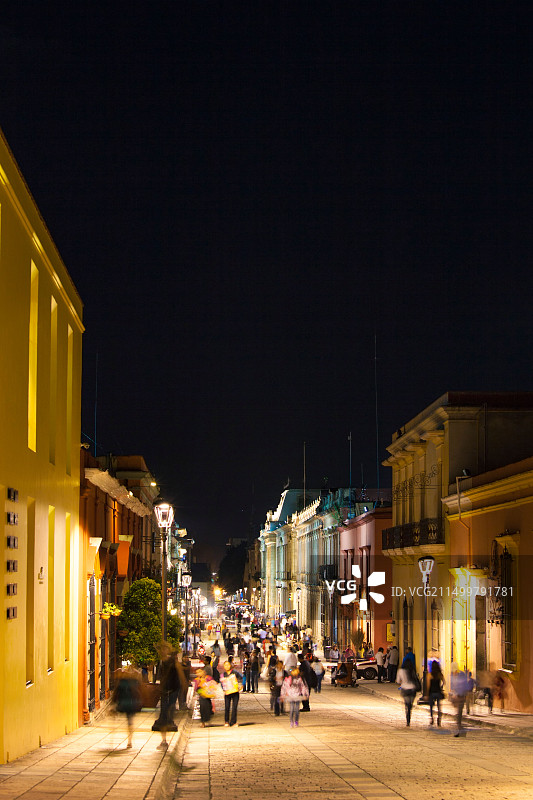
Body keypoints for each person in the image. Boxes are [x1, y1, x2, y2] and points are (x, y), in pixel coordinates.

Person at [154, 644, 183, 747]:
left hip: (173, 689)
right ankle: (164, 740)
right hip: (165, 690)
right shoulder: (160, 662)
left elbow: (180, 674)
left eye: (165, 649)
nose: (162, 651)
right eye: (161, 649)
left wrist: (183, 687)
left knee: (169, 711)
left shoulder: (173, 662)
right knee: (164, 714)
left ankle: (169, 724)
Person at [112, 667, 142, 748]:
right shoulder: (130, 681)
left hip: (126, 704)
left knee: (129, 722)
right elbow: (138, 692)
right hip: (129, 704)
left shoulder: (123, 681)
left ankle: (129, 740)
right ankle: (129, 741)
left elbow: (116, 693)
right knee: (130, 722)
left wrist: (114, 704)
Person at [396, 658, 419, 727]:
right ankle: (409, 711)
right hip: (412, 689)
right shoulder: (412, 670)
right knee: (410, 704)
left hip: (405, 689)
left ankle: (408, 720)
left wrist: (401, 682)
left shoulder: (400, 671)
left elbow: (397, 681)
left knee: (407, 704)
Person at [220, 660, 243, 727]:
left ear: (230, 665)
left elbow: (243, 677)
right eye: (225, 665)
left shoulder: (235, 673)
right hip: (227, 693)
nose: (227, 666)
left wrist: (242, 685)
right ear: (224, 667)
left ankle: (233, 722)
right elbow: (222, 683)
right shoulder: (223, 674)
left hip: (235, 692)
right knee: (227, 707)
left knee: (234, 707)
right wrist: (223, 688)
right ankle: (226, 721)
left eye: (228, 665)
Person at [450, 663, 468, 736]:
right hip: (457, 696)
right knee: (458, 714)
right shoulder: (453, 675)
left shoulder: (461, 675)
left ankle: (461, 730)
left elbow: (463, 685)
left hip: (461, 696)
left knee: (459, 714)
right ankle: (460, 729)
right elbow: (453, 686)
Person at [428, 661, 445, 726]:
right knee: (439, 707)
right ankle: (439, 719)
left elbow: (428, 685)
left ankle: (432, 718)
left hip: (432, 692)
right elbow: (444, 682)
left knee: (431, 706)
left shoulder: (430, 675)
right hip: (438, 691)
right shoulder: (439, 674)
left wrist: (426, 693)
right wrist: (441, 687)